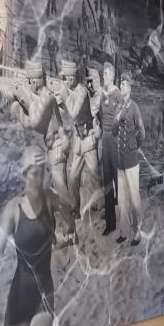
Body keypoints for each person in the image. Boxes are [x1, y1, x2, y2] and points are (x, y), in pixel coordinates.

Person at [0, 146, 74, 326]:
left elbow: (72, 211)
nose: (39, 179)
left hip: (44, 294)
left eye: (43, 172)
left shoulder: (51, 199)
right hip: (18, 297)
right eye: (34, 173)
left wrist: (56, 171)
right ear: (24, 174)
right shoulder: (13, 209)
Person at [52, 60, 100, 218]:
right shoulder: (72, 91)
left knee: (95, 174)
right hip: (79, 140)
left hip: (88, 138)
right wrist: (58, 101)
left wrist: (65, 96)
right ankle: (75, 208)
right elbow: (64, 110)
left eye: (65, 78)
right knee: (73, 176)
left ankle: (101, 205)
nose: (64, 81)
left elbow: (73, 112)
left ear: (72, 78)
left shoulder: (82, 91)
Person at [115, 74, 145, 245]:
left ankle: (138, 230)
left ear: (130, 88)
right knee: (122, 199)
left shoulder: (134, 108)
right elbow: (113, 130)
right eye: (121, 84)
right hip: (120, 160)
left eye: (124, 84)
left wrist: (134, 146)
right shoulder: (119, 106)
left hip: (131, 160)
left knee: (134, 197)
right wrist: (117, 117)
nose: (121, 86)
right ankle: (124, 231)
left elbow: (142, 132)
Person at [98, 61, 121, 235]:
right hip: (105, 140)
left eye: (105, 74)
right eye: (103, 74)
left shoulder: (118, 95)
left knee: (119, 180)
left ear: (111, 76)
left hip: (115, 141)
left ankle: (127, 220)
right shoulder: (101, 94)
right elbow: (99, 115)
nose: (103, 77)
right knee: (107, 182)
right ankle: (110, 224)